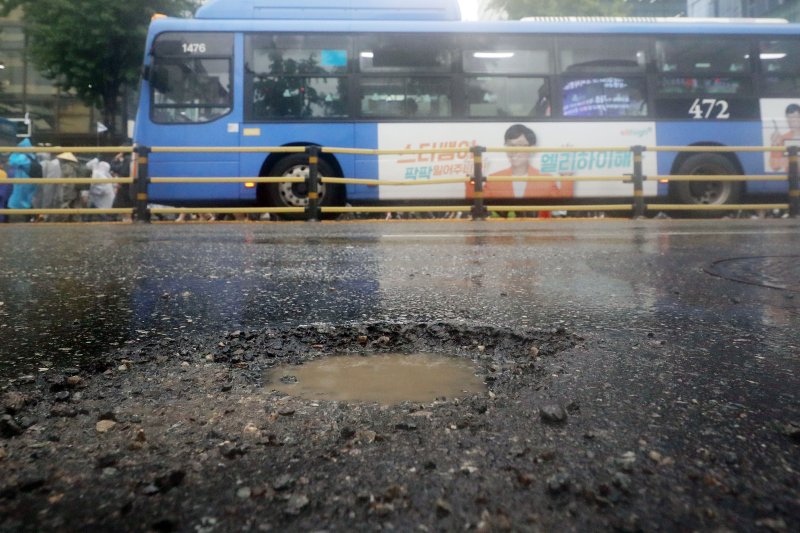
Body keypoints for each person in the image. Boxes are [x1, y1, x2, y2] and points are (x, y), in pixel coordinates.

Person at [466, 124, 574, 201]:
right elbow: (476, 203)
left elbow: (562, 203)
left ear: (532, 149)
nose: (514, 150)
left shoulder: (546, 179)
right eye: (510, 145)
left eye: (520, 145)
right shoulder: (494, 179)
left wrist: (566, 176)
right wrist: (472, 180)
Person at [7, 138, 36, 222]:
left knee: (16, 230)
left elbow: (12, 161)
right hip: (27, 204)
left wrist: (16, 151)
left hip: (17, 204)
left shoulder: (23, 160)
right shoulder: (32, 160)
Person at [769, 103, 800, 172]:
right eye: (789, 118)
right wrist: (774, 145)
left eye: (796, 117)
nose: (792, 121)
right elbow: (775, 166)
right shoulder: (783, 138)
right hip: (792, 178)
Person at [56, 152, 82, 222]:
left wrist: (63, 191)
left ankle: (63, 220)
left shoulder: (66, 167)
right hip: (75, 190)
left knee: (65, 205)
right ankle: (75, 220)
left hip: (68, 190)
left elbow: (66, 180)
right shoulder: (75, 166)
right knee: (74, 205)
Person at [110, 148, 133, 222]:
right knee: (127, 203)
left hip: (125, 185)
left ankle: (112, 218)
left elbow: (119, 169)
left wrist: (115, 159)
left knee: (118, 203)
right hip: (130, 185)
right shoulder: (132, 158)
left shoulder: (127, 159)